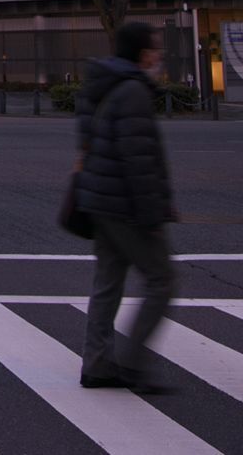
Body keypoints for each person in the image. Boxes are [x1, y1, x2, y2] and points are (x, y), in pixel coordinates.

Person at [74, 21, 177, 393]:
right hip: (125, 204)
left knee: (108, 282)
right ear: (141, 53)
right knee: (162, 279)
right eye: (155, 49)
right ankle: (134, 364)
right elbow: (140, 160)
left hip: (98, 198)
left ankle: (97, 363)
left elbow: (87, 140)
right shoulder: (132, 91)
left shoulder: (100, 85)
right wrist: (153, 216)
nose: (159, 56)